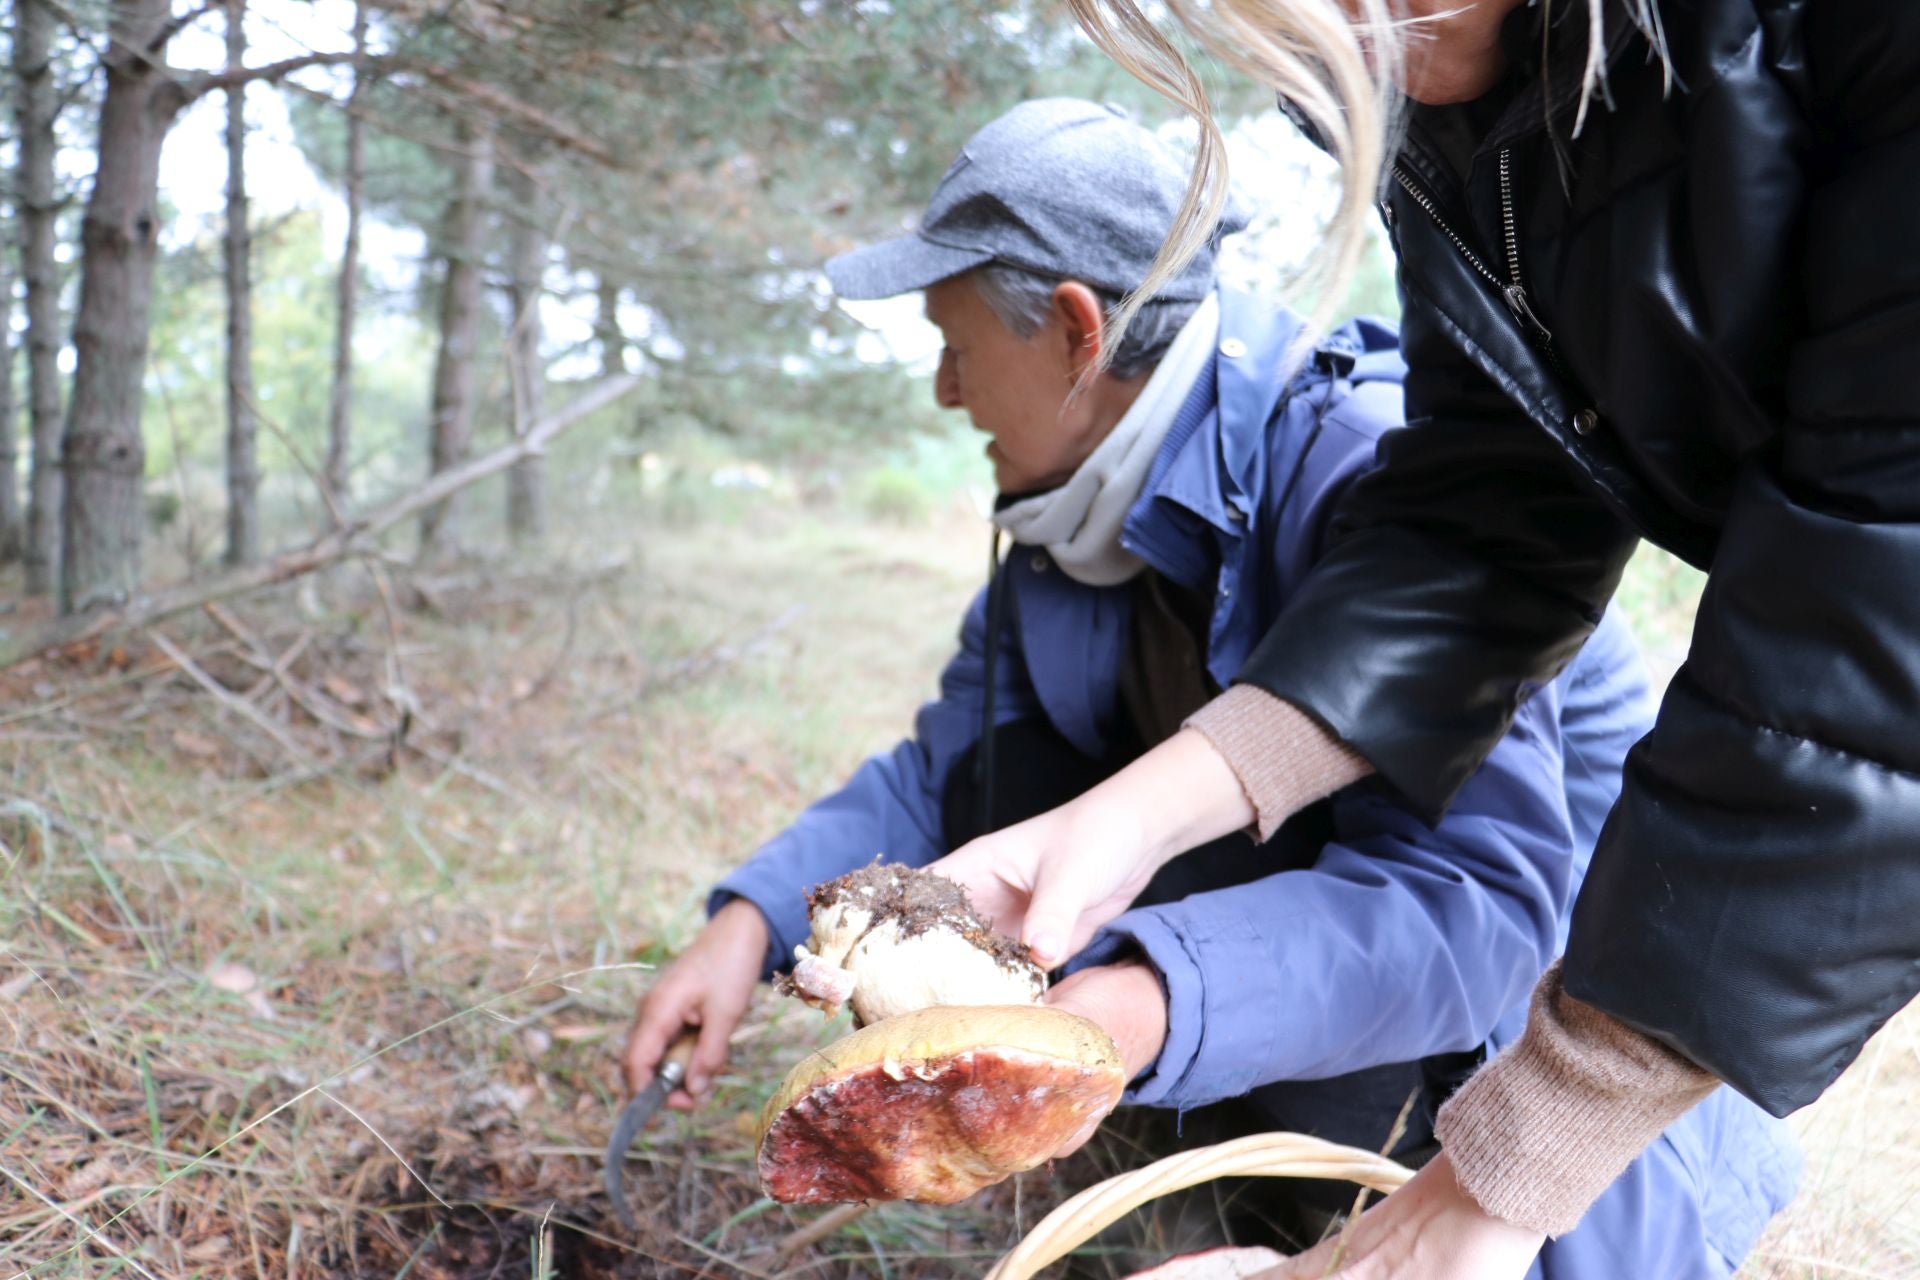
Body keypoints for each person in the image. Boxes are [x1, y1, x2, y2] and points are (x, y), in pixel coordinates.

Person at [621, 98, 1796, 1278]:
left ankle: (1275, 1187)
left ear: (1077, 331)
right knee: (1011, 774)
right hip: (1301, 988)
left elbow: (1475, 911)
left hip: (1545, 1049)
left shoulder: (1367, 479)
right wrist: (751, 918)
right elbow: (948, 775)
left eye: (957, 343)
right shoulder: (1066, 527)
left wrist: (1129, 1007)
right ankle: (1209, 1162)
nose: (943, 390)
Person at [933, 3, 1920, 1277]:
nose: (1305, 65)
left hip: (1622, 1020)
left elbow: (1875, 600)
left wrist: (1509, 1166)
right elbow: (1491, 511)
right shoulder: (1469, 115)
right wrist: (1130, 817)